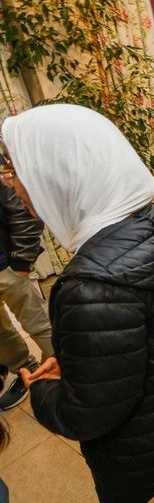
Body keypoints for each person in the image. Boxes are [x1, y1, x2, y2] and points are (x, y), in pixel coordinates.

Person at [2, 104, 154, 503]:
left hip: (147, 462)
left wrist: (43, 390)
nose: (13, 187)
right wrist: (82, 364)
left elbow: (88, 415)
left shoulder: (90, 288)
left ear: (57, 174)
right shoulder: (152, 223)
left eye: (17, 172)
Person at [0, 176, 53, 411]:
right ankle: (28, 372)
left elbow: (25, 212)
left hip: (7, 269)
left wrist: (21, 263)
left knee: (41, 324)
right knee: (1, 333)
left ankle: (72, 370)